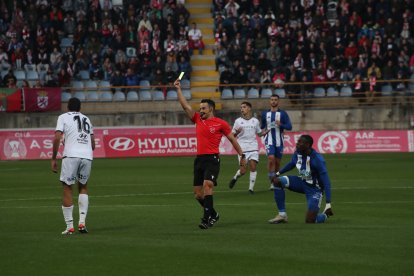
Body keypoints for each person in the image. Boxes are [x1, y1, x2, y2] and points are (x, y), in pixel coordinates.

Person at [174, 78, 246, 229]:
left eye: (203, 109)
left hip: (212, 159)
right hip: (199, 160)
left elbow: (232, 140)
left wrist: (242, 156)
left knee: (208, 185)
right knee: (198, 194)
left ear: (211, 109)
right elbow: (185, 106)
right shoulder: (198, 120)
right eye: (200, 108)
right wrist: (178, 89)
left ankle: (206, 219)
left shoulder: (221, 123)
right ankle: (213, 214)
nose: (201, 111)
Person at [51, 97, 95, 235]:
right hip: (87, 156)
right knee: (83, 186)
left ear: (68, 107)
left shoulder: (63, 117)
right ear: (80, 108)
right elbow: (93, 144)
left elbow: (57, 137)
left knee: (67, 187)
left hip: (71, 156)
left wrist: (53, 158)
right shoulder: (87, 119)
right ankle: (82, 222)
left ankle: (70, 226)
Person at [269, 135, 333, 223]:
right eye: (298, 141)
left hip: (315, 189)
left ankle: (326, 215)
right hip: (301, 182)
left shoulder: (317, 159)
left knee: (310, 220)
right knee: (277, 181)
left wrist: (328, 203)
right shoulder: (297, 152)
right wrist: (277, 174)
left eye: (300, 142)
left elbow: (326, 182)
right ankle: (282, 215)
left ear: (307, 145)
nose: (297, 144)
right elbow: (292, 163)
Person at [261, 94, 292, 223]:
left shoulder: (283, 114)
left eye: (275, 100)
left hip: (279, 142)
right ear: (269, 101)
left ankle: (275, 180)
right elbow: (263, 127)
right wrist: (262, 132)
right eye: (272, 100)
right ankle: (271, 179)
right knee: (271, 159)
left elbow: (290, 127)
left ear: (278, 102)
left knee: (277, 163)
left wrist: (282, 125)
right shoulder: (264, 114)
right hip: (269, 141)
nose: (273, 101)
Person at [229, 102, 270, 193]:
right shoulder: (238, 121)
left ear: (249, 108)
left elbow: (259, 134)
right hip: (242, 149)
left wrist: (265, 132)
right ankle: (235, 177)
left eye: (244, 107)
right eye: (241, 107)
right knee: (243, 171)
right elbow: (231, 136)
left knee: (253, 167)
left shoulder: (255, 121)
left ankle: (251, 189)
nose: (242, 109)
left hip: (253, 148)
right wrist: (237, 132)